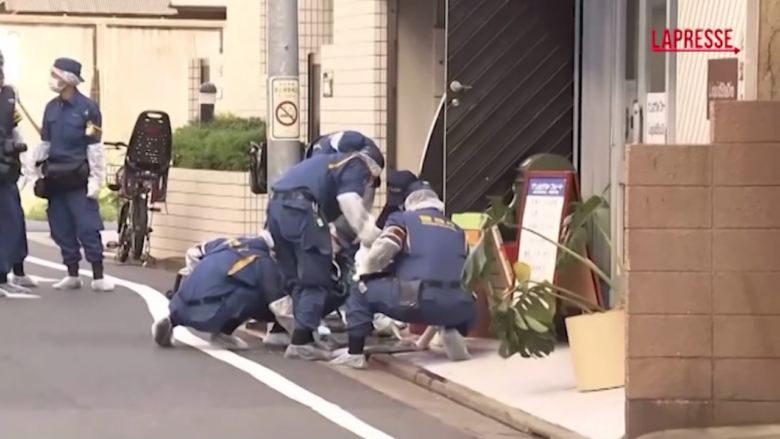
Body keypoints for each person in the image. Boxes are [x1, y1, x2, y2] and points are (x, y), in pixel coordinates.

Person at [330, 171, 477, 369]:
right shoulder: (458, 230)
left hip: (415, 301)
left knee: (360, 288)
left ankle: (354, 353)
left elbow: (384, 249)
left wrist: (366, 271)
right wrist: (422, 343)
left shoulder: (402, 219)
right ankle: (453, 328)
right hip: (461, 307)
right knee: (449, 288)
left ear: (409, 201)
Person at [266, 145, 385, 361]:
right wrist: (370, 236)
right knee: (317, 276)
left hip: (276, 207)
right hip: (301, 208)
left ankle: (289, 332)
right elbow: (349, 200)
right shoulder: (357, 164)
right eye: (373, 181)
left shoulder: (325, 162)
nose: (369, 185)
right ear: (373, 168)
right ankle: (301, 341)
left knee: (293, 274)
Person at [25, 58, 112, 292]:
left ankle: (98, 274)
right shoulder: (50, 108)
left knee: (87, 227)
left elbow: (94, 147)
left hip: (78, 177)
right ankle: (72, 273)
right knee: (60, 227)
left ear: (70, 79)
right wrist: (31, 169)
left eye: (57, 75)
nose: (53, 80)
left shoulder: (88, 108)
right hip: (55, 177)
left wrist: (96, 179)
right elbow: (45, 142)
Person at [151, 232, 283, 351]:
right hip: (212, 313)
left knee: (221, 281)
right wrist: (298, 331)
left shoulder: (226, 242)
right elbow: (278, 301)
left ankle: (171, 321)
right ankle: (225, 332)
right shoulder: (262, 259)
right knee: (257, 292)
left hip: (181, 303)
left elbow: (193, 253)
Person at [0, 68, 37, 296]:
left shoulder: (9, 97)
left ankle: (16, 270)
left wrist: (22, 162)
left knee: (14, 219)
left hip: (6, 169)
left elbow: (17, 132)